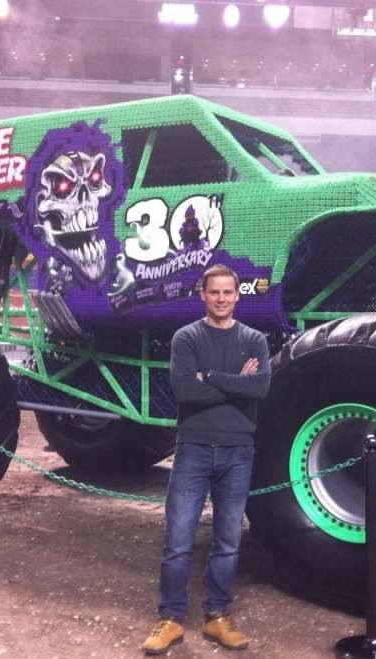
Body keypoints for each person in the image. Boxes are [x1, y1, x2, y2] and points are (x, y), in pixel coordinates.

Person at [143, 263, 271, 655]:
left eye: (227, 293)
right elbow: (185, 392)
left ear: (237, 296)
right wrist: (235, 382)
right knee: (178, 540)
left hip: (238, 450)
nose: (221, 299)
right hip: (194, 450)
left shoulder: (255, 340)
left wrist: (210, 377)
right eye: (214, 292)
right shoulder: (187, 338)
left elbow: (261, 387)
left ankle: (218, 617)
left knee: (228, 541)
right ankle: (171, 619)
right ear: (204, 295)